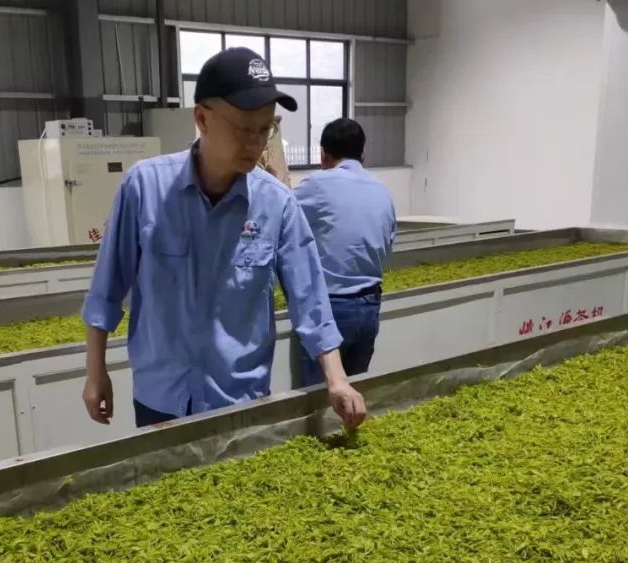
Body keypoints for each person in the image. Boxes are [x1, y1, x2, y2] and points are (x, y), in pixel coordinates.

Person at [81, 47, 367, 430]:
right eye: (244, 129)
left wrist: (337, 379)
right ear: (202, 118)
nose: (256, 143)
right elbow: (106, 288)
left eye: (265, 129)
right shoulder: (144, 188)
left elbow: (310, 299)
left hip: (240, 400)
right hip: (161, 398)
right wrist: (95, 370)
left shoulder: (277, 203)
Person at [293, 118, 397, 387]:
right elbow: (387, 246)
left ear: (322, 154)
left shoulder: (317, 185)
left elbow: (281, 214)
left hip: (331, 311)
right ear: (363, 153)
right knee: (353, 392)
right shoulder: (382, 191)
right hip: (370, 307)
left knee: (319, 397)